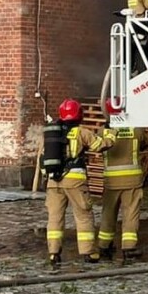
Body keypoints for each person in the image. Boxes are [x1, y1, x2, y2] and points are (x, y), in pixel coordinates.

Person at [45, 98, 113, 270]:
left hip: (53, 181)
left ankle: (53, 253)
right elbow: (100, 145)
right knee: (83, 215)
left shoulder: (52, 133)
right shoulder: (81, 132)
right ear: (79, 115)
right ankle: (89, 252)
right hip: (74, 180)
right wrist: (110, 135)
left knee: (54, 218)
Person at [98, 122, 147, 262]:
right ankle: (129, 247)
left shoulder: (103, 131)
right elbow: (145, 143)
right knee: (131, 213)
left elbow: (97, 146)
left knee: (108, 213)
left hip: (111, 181)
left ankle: (104, 245)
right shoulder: (136, 129)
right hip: (132, 180)